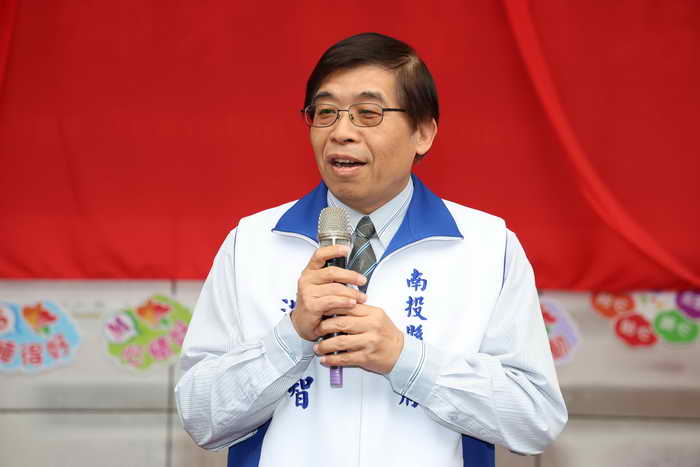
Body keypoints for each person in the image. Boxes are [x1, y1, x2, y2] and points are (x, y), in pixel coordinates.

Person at [175, 32, 567, 467]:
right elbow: (200, 418)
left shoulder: (488, 247)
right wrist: (292, 337)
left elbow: (535, 420)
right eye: (326, 112)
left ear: (423, 132)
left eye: (368, 113)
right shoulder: (251, 242)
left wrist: (405, 359)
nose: (341, 133)